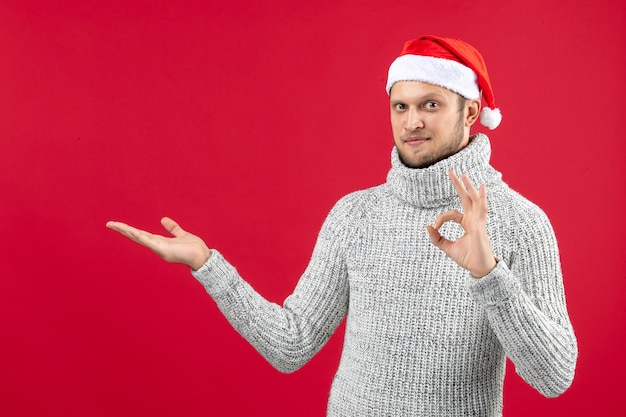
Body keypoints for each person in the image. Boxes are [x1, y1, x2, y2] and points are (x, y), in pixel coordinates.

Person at [107, 35, 577, 416]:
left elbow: (554, 377)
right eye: (401, 106)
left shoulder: (520, 223)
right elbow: (291, 344)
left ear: (470, 112)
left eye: (431, 105)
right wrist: (208, 264)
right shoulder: (355, 215)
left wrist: (489, 275)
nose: (412, 121)